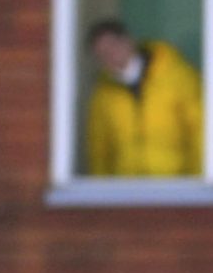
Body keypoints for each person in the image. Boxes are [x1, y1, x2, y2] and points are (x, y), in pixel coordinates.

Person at [83, 18, 205, 178]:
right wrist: (102, 192)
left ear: (128, 41)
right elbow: (99, 149)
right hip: (126, 189)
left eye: (113, 46)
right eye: (102, 54)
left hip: (176, 184)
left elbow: (200, 131)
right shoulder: (103, 95)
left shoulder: (177, 75)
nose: (110, 56)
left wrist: (196, 180)